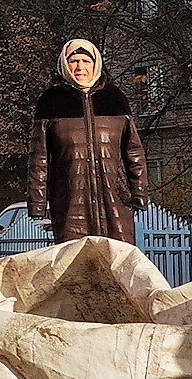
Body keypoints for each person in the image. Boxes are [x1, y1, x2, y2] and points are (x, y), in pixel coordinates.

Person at [27, 38, 148, 244]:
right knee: (73, 266)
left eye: (86, 61)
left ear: (96, 64)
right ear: (65, 64)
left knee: (117, 265)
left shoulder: (114, 99)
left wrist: (139, 193)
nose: (80, 67)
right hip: (70, 202)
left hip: (116, 202)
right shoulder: (51, 101)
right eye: (73, 61)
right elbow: (39, 160)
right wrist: (37, 203)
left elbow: (133, 152)